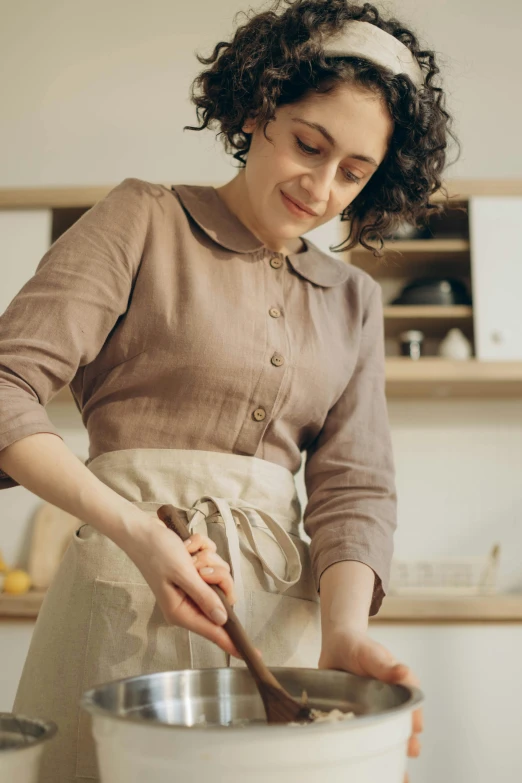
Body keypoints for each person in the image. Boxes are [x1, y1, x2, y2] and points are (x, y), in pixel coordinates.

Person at [0, 1, 457, 781]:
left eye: (354, 172)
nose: (320, 187)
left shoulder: (351, 300)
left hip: (275, 628)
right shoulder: (142, 219)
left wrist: (342, 636)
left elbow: (354, 487)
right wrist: (137, 532)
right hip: (120, 595)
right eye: (309, 145)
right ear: (256, 110)